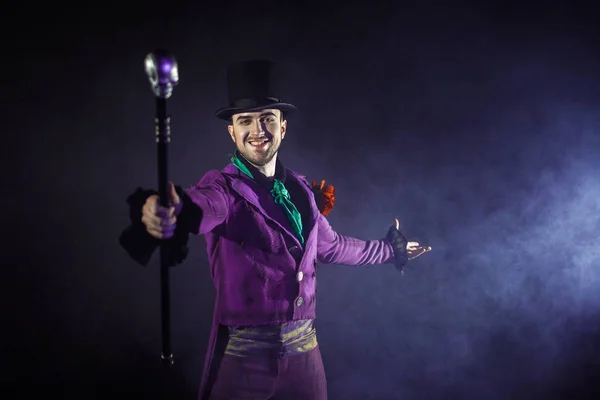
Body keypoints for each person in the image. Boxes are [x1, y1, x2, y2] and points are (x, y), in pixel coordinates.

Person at [119, 59, 431, 400]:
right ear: (232, 131)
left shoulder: (300, 189)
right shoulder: (223, 187)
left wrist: (390, 250)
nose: (257, 130)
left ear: (283, 127)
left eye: (267, 119)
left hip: (306, 360)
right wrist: (169, 209)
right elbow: (201, 204)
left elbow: (333, 246)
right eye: (245, 121)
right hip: (244, 365)